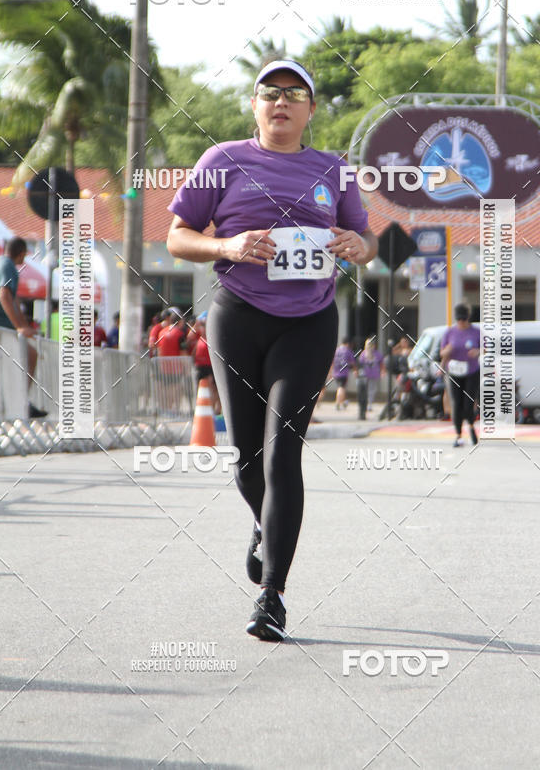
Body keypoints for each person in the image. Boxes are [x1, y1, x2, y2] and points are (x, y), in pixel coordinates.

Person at [167, 59, 378, 641]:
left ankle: (272, 595)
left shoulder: (334, 170)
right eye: (269, 93)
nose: (280, 102)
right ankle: (265, 525)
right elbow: (177, 237)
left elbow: (365, 240)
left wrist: (358, 245)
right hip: (237, 318)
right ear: (255, 105)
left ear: (311, 109)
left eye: (293, 94)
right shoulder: (221, 161)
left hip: (308, 323)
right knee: (246, 458)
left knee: (283, 452)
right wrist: (227, 245)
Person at [0, 236, 47, 417]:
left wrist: (23, 326)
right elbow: (5, 296)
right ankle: (17, 403)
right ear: (21, 254)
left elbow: (15, 300)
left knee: (28, 356)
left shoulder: (1, 263)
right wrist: (19, 328)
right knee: (26, 358)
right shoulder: (8, 266)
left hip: (0, 326)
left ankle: (20, 401)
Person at [440, 303, 480, 447]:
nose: (461, 322)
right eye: (459, 319)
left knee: (468, 403)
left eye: (464, 319)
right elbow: (442, 353)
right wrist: (447, 351)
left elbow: (486, 348)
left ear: (468, 318)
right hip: (454, 372)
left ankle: (471, 426)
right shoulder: (449, 333)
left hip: (471, 371)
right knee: (456, 404)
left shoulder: (476, 332)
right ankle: (458, 435)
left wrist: (478, 351)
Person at [358, 337, 384, 413]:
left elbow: (381, 363)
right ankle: (368, 404)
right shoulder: (364, 354)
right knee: (369, 390)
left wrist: (382, 371)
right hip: (366, 374)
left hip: (373, 374)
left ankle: (368, 404)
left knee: (371, 390)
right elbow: (360, 364)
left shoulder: (376, 354)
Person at [332, 337, 356, 410]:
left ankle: (343, 402)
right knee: (341, 388)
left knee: (342, 387)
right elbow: (353, 362)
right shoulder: (348, 351)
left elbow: (332, 362)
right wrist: (355, 370)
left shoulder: (336, 350)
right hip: (344, 373)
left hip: (336, 372)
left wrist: (330, 372)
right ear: (348, 343)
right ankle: (337, 403)